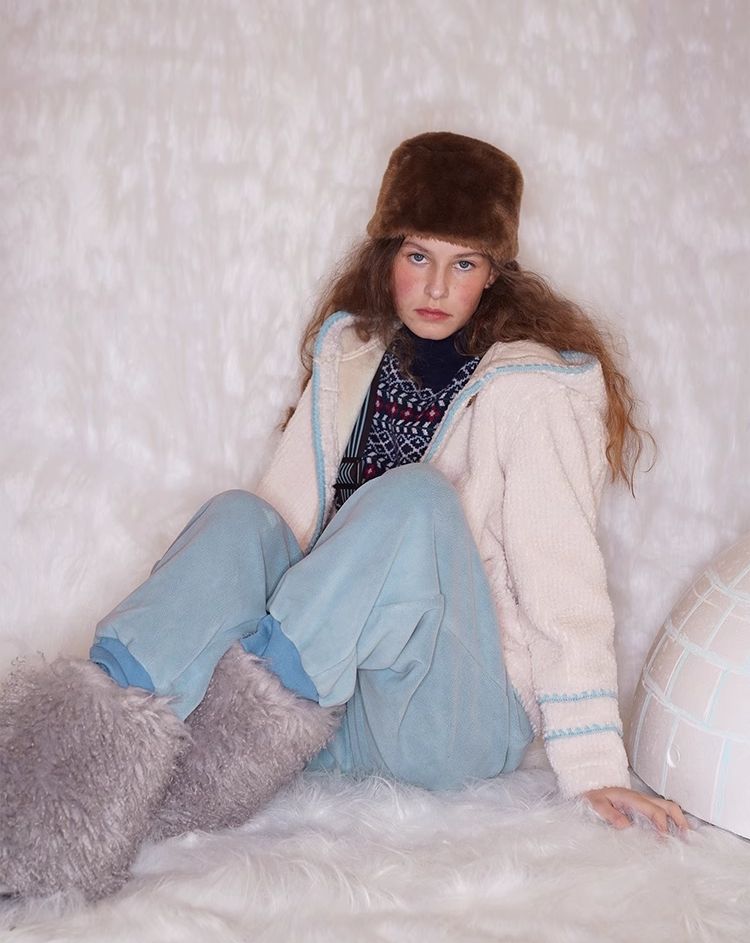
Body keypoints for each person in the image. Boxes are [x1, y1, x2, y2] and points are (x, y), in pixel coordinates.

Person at [0, 132, 687, 902]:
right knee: (241, 518)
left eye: (464, 264)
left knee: (415, 501)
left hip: (450, 717)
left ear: (494, 275)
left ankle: (212, 765)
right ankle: (53, 788)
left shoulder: (531, 393)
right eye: (419, 256)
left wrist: (595, 767)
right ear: (387, 255)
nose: (436, 285)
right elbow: (281, 532)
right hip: (323, 717)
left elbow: (564, 584)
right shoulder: (351, 359)